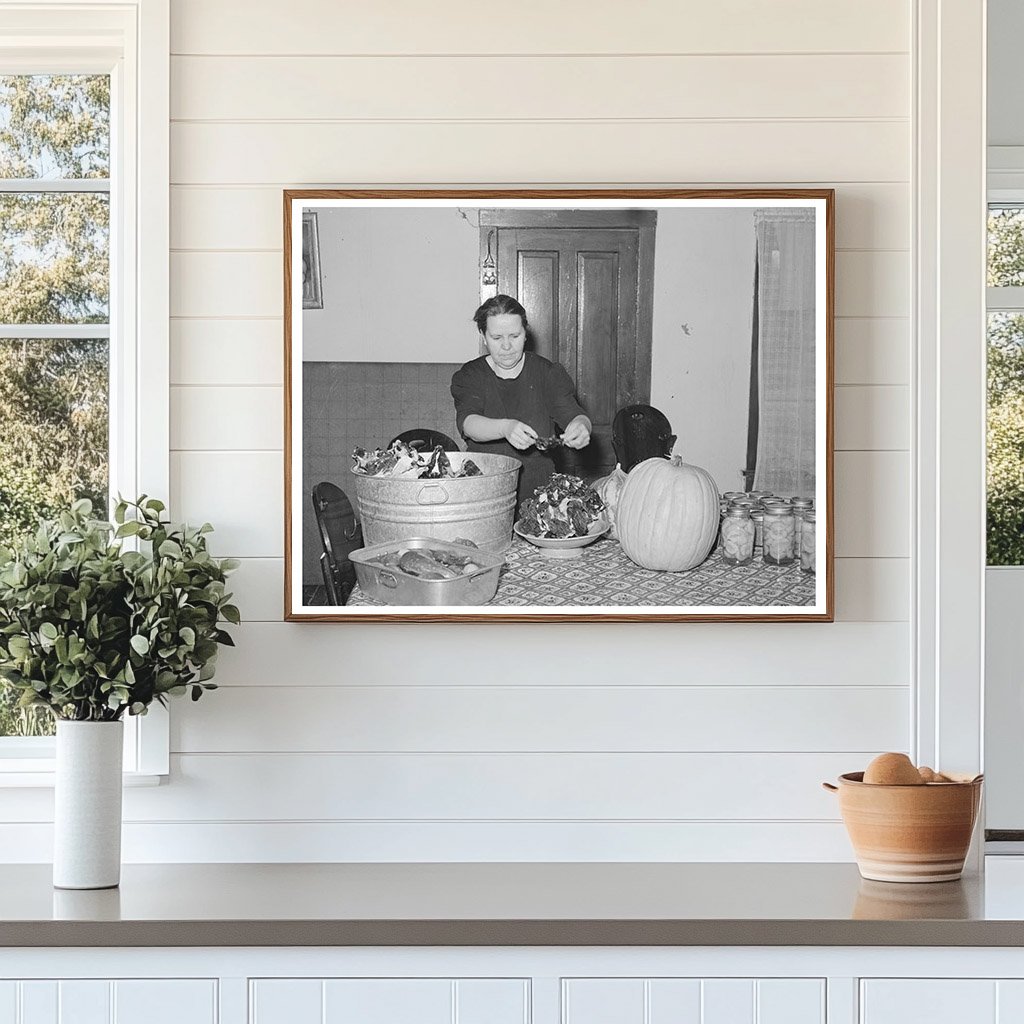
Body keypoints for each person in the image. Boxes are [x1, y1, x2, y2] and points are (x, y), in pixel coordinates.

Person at [450, 294, 592, 508]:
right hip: (484, 487)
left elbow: (574, 414)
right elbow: (468, 424)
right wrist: (505, 427)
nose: (506, 346)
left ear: (526, 334)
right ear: (483, 335)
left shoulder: (548, 373)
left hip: (539, 490)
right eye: (497, 338)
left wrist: (581, 426)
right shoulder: (471, 375)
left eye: (514, 336)